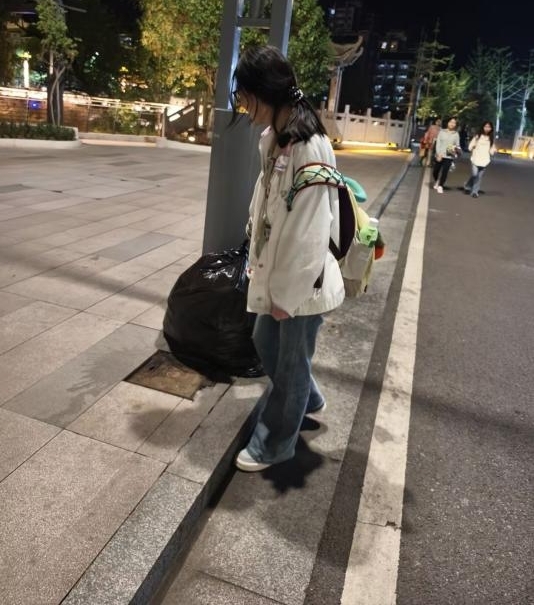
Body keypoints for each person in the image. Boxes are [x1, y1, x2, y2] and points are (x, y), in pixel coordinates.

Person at [229, 45, 345, 472]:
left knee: (290, 364)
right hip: (279, 274)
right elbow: (266, 202)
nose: (244, 106)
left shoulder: (309, 147)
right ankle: (307, 397)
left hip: (302, 284)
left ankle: (275, 444)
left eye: (246, 96)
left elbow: (309, 233)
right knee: (266, 344)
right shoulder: (277, 139)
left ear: (266, 92)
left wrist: (287, 296)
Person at [463, 121, 497, 198]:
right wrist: (473, 146)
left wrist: (494, 150)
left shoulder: (491, 138)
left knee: (479, 177)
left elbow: (491, 151)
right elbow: (470, 147)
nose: (487, 128)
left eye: (489, 127)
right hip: (475, 158)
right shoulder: (477, 136)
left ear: (491, 128)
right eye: (486, 126)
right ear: (483, 127)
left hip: (484, 160)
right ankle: (468, 185)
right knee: (475, 174)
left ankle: (475, 192)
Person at [432, 116, 461, 193]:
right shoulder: (442, 132)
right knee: (435, 171)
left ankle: (440, 186)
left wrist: (455, 152)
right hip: (440, 154)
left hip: (449, 155)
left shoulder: (456, 134)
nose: (452, 124)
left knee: (445, 171)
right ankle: (437, 180)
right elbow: (438, 143)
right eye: (451, 122)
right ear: (447, 123)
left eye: (454, 123)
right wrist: (438, 153)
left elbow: (457, 145)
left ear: (455, 124)